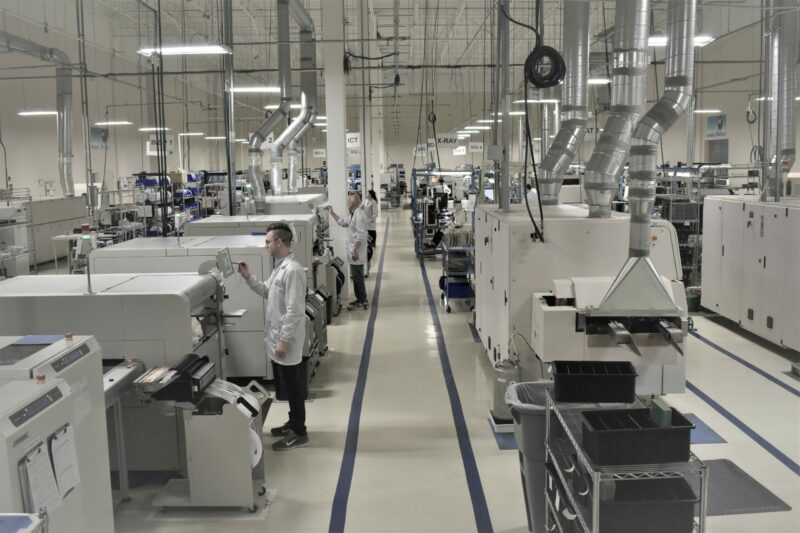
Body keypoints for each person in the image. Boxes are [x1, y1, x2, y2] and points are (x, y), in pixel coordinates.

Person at [238, 222, 309, 451]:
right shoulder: (280, 267)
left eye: (268, 241)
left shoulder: (293, 271)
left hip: (287, 341)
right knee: (287, 385)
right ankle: (293, 422)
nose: (265, 245)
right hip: (279, 338)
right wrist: (248, 277)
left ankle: (300, 432)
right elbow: (267, 291)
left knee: (295, 387)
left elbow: (295, 310)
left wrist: (283, 339)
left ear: (280, 242)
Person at [327, 193, 369, 310]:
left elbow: (361, 235)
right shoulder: (353, 215)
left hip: (357, 252)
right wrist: (331, 212)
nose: (347, 201)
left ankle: (362, 301)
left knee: (357, 276)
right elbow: (342, 222)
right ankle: (361, 299)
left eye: (349, 199)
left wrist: (355, 250)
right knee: (356, 276)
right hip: (353, 250)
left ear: (354, 202)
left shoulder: (359, 215)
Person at [362, 189, 378, 277]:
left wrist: (371, 220)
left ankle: (372, 244)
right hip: (365, 224)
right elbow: (360, 208)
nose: (366, 194)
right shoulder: (365, 201)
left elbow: (375, 213)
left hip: (370, 224)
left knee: (370, 239)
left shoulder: (373, 202)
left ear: (370, 195)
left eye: (367, 193)